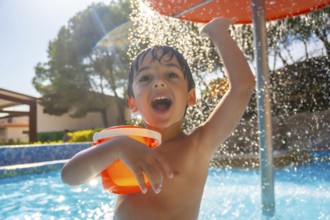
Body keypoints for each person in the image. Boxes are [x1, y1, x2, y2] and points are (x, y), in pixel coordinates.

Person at [61, 17, 255, 219]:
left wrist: (218, 32)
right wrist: (117, 147)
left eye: (171, 75)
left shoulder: (197, 146)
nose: (159, 83)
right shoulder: (124, 146)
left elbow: (243, 86)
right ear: (133, 103)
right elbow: (69, 177)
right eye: (145, 78)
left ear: (190, 96)